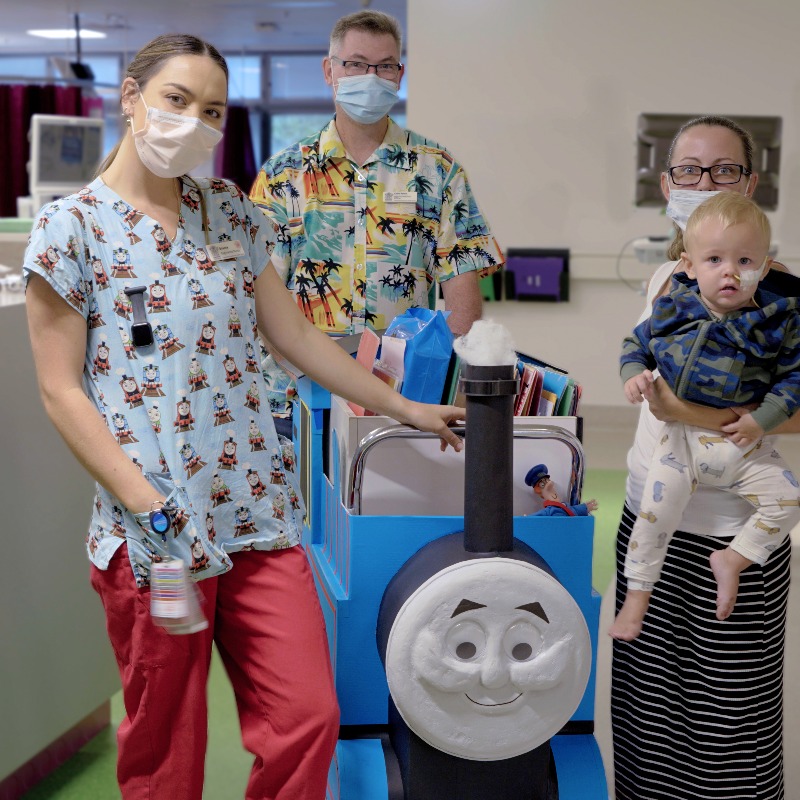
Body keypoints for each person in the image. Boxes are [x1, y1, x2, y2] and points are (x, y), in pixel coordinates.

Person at [23, 34, 464, 800]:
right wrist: (146, 503)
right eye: (176, 100)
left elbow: (290, 333)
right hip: (155, 531)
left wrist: (399, 406)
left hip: (258, 511)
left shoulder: (229, 211)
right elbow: (61, 391)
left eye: (212, 109)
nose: (193, 122)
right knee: (168, 749)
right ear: (131, 97)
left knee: (306, 718)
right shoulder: (72, 229)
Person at [610, 115, 800, 800]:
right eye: (688, 170)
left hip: (732, 527)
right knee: (647, 710)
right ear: (667, 185)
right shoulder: (668, 277)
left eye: (724, 170)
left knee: (727, 721)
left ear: (750, 184)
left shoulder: (781, 293)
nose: (704, 183)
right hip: (650, 515)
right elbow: (643, 362)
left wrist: (687, 415)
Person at [249, 10, 503, 427]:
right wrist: (316, 378)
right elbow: (262, 298)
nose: (372, 76)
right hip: (299, 402)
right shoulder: (284, 174)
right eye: (355, 64)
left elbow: (463, 300)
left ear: (399, 75)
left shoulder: (437, 170)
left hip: (403, 400)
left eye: (385, 66)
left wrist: (430, 383)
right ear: (330, 71)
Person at [610, 192, 800, 641]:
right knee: (655, 515)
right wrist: (634, 373)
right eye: (714, 259)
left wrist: (763, 419)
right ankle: (637, 598)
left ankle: (734, 559)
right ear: (690, 266)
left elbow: (794, 379)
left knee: (790, 497)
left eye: (745, 260)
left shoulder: (779, 321)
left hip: (742, 446)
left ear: (765, 265)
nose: (730, 271)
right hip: (679, 445)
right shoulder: (674, 305)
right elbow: (636, 343)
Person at [524, 463, 598, 516]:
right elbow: (536, 517)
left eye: (547, 480)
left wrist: (585, 507)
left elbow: (574, 509)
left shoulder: (564, 506)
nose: (547, 483)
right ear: (538, 490)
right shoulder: (549, 511)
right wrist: (525, 520)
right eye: (542, 483)